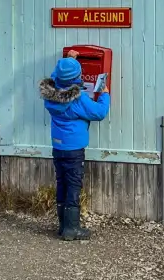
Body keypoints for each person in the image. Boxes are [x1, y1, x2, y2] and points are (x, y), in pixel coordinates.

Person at [39, 49, 111, 241]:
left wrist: (69, 59)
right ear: (78, 77)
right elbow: (99, 113)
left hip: (58, 146)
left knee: (62, 182)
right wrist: (105, 94)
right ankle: (71, 228)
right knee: (73, 185)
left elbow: (57, 76)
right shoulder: (78, 99)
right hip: (74, 149)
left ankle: (63, 225)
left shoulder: (51, 93)